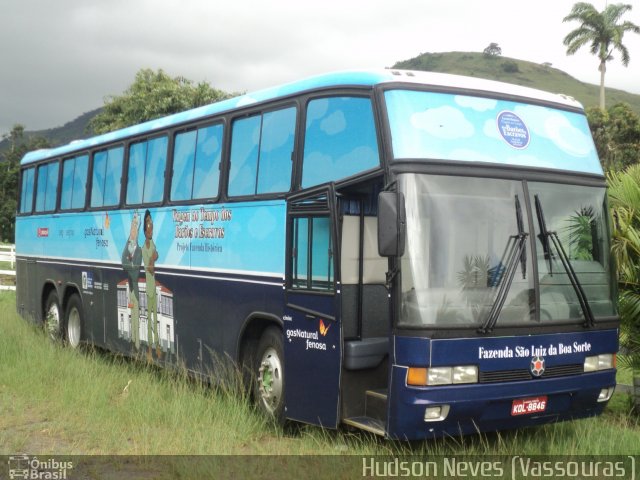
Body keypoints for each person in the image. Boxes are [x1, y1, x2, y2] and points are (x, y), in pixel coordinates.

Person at [121, 213, 142, 351]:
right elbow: (124, 262)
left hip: (134, 286)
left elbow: (136, 268)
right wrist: (130, 264)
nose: (132, 233)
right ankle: (132, 340)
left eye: (135, 230)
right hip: (129, 285)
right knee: (130, 313)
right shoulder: (127, 248)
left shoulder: (138, 250)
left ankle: (137, 342)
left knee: (135, 315)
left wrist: (130, 265)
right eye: (131, 230)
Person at [142, 209, 160, 360]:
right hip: (149, 287)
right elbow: (149, 267)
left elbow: (157, 254)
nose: (151, 231)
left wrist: (154, 257)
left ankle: (158, 346)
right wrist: (153, 259)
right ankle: (149, 349)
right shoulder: (143, 248)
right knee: (150, 320)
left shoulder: (152, 243)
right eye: (149, 228)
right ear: (145, 230)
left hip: (153, 286)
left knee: (155, 317)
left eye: (152, 228)